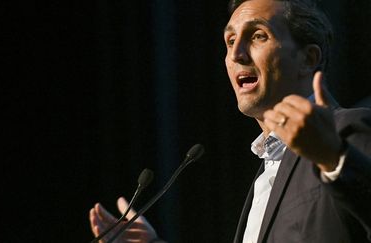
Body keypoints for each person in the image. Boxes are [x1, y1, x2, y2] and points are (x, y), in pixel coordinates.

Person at [89, 0, 371, 242]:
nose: (236, 54)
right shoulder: (267, 169)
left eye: (258, 36)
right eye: (231, 41)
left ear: (308, 58)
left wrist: (335, 159)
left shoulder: (348, 129)